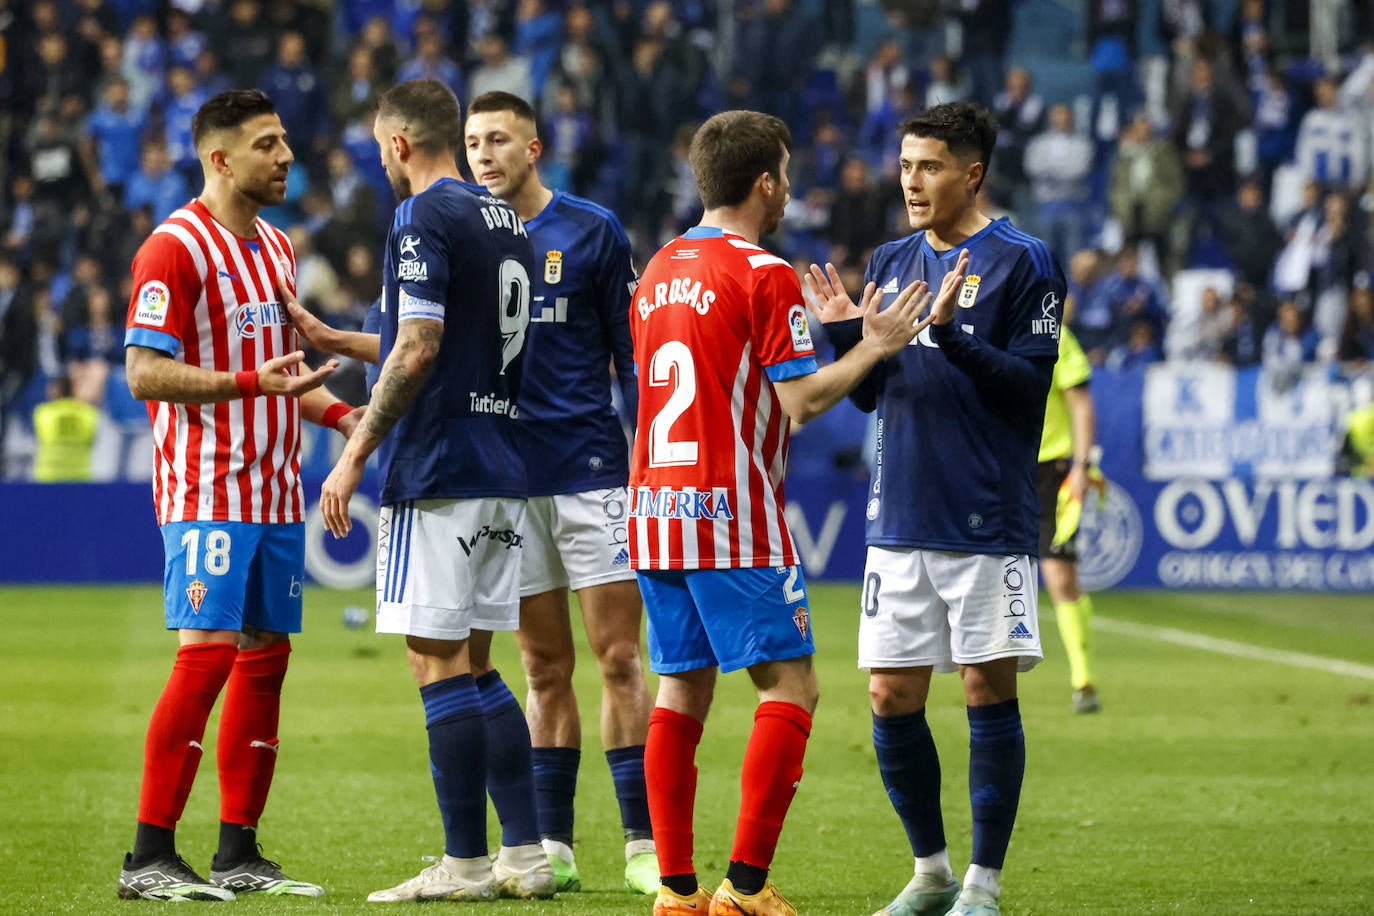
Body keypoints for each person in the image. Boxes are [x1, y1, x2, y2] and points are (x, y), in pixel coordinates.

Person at [633, 109, 958, 916]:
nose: (788, 190)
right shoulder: (763, 271)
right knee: (793, 687)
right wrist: (874, 344)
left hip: (655, 510)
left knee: (680, 690)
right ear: (765, 181)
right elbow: (803, 402)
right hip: (729, 512)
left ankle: (675, 892)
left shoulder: (657, 269)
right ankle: (743, 888)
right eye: (783, 173)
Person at [805, 101, 1064, 916]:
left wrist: (951, 335)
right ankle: (931, 872)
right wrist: (850, 339)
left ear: (972, 174)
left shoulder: (1026, 261)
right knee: (889, 697)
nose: (910, 180)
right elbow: (871, 397)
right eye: (906, 164)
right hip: (901, 514)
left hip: (986, 517)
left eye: (929, 166)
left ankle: (983, 887)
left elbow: (1029, 392)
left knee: (987, 692)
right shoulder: (892, 256)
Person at [313, 78, 555, 904]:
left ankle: (465, 865)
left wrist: (352, 458)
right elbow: (450, 334)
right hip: (501, 463)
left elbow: (418, 347)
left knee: (435, 660)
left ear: (397, 144)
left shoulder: (422, 215)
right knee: (477, 663)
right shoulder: (507, 220)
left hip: (442, 465)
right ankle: (525, 854)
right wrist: (342, 338)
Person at [118, 88, 357, 902]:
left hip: (274, 489)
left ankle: (238, 853)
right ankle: (147, 856)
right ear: (219, 158)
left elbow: (283, 380)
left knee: (266, 661)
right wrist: (242, 381)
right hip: (208, 489)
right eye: (266, 143)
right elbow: (144, 373)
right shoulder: (174, 248)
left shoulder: (277, 249)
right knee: (207, 656)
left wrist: (346, 414)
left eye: (285, 139)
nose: (286, 155)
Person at [463, 90, 658, 896]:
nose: (483, 155)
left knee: (618, 657)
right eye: (473, 142)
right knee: (543, 669)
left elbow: (634, 356)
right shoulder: (463, 234)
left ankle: (644, 843)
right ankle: (554, 844)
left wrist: (646, 453)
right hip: (509, 484)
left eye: (498, 140)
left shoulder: (592, 230)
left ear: (534, 147)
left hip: (591, 475)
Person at [1036, 325, 1102, 713]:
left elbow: (1079, 399)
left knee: (1060, 577)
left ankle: (1083, 679)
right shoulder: (983, 322)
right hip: (999, 467)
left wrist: (1081, 465)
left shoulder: (1054, 333)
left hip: (1054, 470)